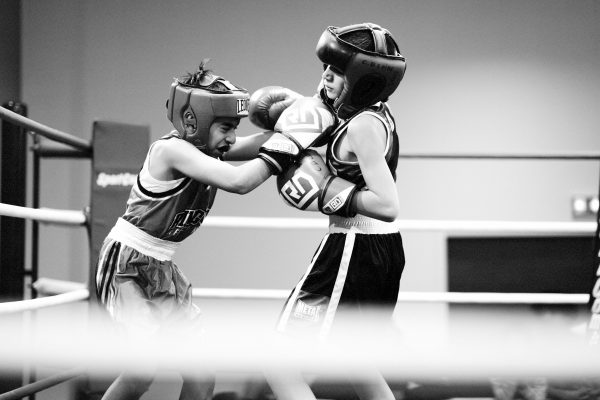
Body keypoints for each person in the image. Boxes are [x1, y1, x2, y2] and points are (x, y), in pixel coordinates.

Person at [93, 60, 300, 400]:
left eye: (234, 127)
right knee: (141, 370)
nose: (231, 137)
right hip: (125, 266)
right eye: (224, 127)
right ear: (195, 121)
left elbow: (264, 143)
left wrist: (307, 124)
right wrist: (286, 149)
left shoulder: (212, 146)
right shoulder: (171, 151)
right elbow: (239, 181)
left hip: (161, 267)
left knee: (202, 373)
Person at [256, 23, 407, 400]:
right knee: (356, 362)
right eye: (326, 65)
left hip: (354, 248)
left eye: (338, 70)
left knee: (279, 361)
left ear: (363, 81)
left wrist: (328, 191)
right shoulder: (364, 113)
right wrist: (214, 151)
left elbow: (388, 205)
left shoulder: (362, 128)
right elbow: (279, 145)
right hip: (375, 251)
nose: (325, 74)